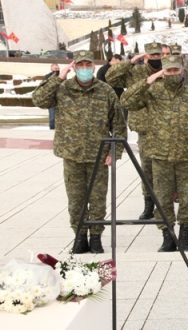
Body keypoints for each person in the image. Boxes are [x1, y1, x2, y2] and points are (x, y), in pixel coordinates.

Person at [32, 50, 127, 254]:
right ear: (74, 67)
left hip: (99, 156)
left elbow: (118, 124)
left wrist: (115, 152)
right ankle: (79, 236)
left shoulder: (105, 91)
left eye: (88, 65)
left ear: (93, 67)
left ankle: (95, 237)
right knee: (76, 201)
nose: (84, 69)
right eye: (80, 65)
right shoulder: (62, 88)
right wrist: (58, 78)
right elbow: (39, 100)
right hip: (72, 154)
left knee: (98, 199)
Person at [120, 55, 188, 252]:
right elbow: (126, 101)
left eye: (175, 70)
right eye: (168, 70)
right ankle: (168, 237)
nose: (172, 74)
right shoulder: (153, 92)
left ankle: (185, 237)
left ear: (182, 71)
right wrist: (149, 80)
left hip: (187, 157)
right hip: (160, 157)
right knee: (163, 200)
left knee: (187, 199)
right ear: (163, 71)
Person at [106, 42, 164, 221]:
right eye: (151, 55)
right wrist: (130, 62)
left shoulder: (169, 71)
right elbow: (110, 77)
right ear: (146, 55)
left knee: (164, 170)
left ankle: (163, 205)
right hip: (145, 128)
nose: (155, 58)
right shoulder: (136, 72)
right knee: (147, 169)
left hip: (167, 128)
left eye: (157, 55)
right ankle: (148, 205)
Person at [43, 63, 59, 129]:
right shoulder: (47, 76)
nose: (57, 69)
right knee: (52, 117)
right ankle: (52, 128)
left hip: (60, 99)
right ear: (51, 68)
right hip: (51, 100)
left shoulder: (62, 75)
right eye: (55, 68)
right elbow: (45, 87)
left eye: (57, 68)